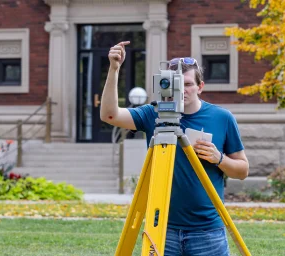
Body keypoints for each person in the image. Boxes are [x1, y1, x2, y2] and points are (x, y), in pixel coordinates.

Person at [100, 41, 250, 256]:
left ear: (200, 87)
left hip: (207, 232)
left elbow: (243, 171)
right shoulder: (153, 114)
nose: (182, 90)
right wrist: (114, 69)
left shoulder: (222, 117)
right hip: (161, 229)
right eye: (174, 83)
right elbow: (109, 115)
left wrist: (219, 158)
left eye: (188, 84)